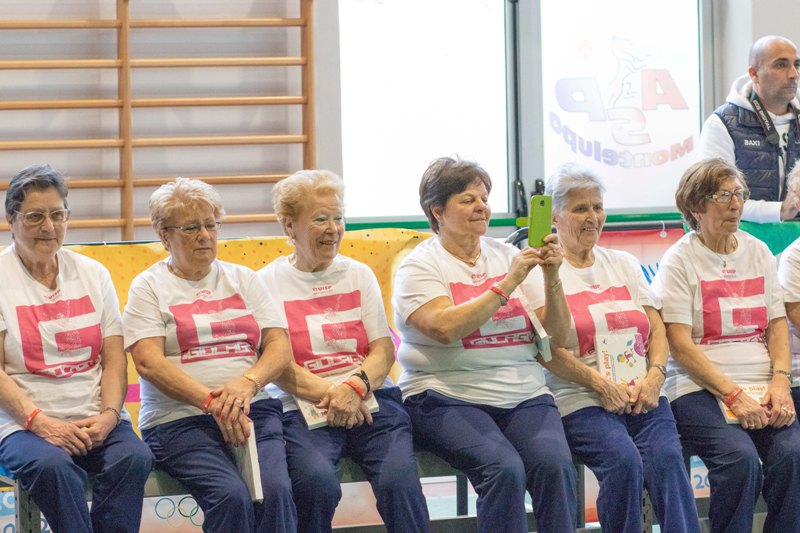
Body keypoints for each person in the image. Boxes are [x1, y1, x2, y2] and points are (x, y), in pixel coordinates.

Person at [393, 156, 577, 533]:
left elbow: (558, 337)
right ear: (437, 211)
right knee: (503, 469)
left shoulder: (507, 255)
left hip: (523, 392)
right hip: (445, 394)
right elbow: (445, 328)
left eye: (484, 199)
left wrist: (552, 277)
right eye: (467, 199)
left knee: (556, 466)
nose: (481, 207)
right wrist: (507, 284)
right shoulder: (419, 266)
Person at [258, 170, 430, 533]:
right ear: (289, 226)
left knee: (399, 482)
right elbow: (279, 365)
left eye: (338, 218)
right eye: (320, 219)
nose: (333, 229)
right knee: (315, 483)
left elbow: (383, 350)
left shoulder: (359, 274)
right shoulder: (265, 283)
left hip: (370, 398)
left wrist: (354, 388)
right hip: (302, 407)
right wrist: (337, 395)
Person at [123, 178, 296, 532]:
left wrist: (248, 384)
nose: (204, 235)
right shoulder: (148, 286)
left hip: (253, 410)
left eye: (211, 224)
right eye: (190, 227)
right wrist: (212, 403)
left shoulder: (244, 279)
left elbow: (279, 346)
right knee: (230, 496)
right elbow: (148, 362)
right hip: (178, 421)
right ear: (163, 235)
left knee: (276, 491)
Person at [541, 162, 699, 533]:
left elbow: (655, 327)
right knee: (623, 461)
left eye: (597, 207)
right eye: (580, 208)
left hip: (641, 389)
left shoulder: (624, 263)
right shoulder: (542, 270)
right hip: (581, 395)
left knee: (667, 459)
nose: (592, 217)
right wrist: (600, 384)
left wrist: (655, 376)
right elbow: (546, 350)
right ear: (555, 218)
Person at [0, 164, 153, 533]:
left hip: (94, 417)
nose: (49, 226)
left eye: (58, 214)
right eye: (35, 216)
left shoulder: (93, 273)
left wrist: (110, 415)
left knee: (134, 458)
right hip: (22, 425)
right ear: (10, 220)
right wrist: (40, 423)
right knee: (54, 468)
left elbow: (114, 359)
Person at [651, 158, 800, 533]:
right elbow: (679, 345)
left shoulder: (757, 251)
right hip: (697, 386)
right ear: (695, 206)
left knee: (793, 454)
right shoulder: (679, 260)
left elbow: (777, 326)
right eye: (723, 196)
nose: (736, 204)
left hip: (761, 383)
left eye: (739, 194)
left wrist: (780, 382)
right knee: (739, 460)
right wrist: (732, 394)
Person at [698, 35, 800, 223]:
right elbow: (715, 197)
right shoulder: (722, 124)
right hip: (738, 239)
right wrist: (779, 211)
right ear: (754, 74)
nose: (793, 74)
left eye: (797, 64)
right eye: (781, 65)